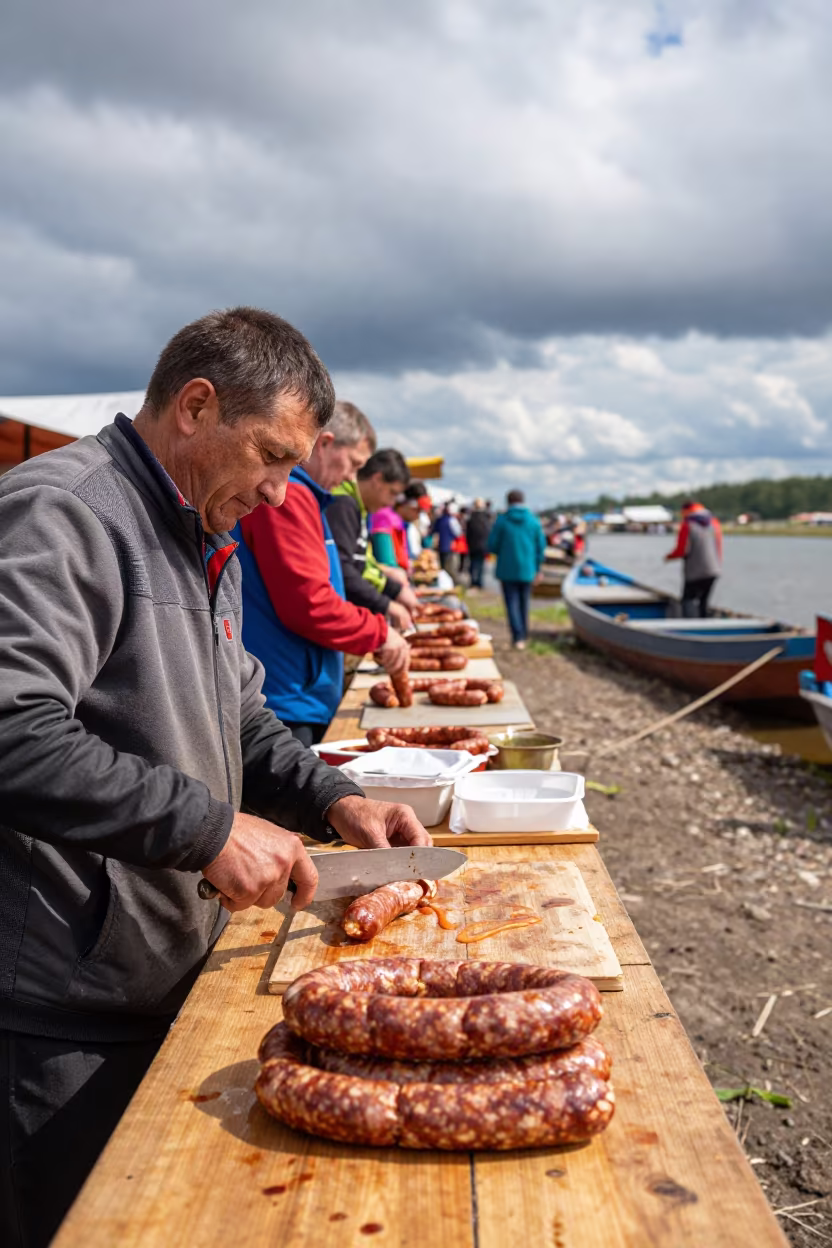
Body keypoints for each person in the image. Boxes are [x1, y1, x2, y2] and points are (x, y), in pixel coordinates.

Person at [0, 307, 430, 1248]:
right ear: (196, 407)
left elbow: (236, 713)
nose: (282, 494)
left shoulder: (205, 527)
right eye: (273, 457)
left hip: (162, 971)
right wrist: (207, 830)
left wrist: (331, 796)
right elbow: (12, 728)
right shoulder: (66, 511)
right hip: (56, 1010)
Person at [233, 404, 411, 746]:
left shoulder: (307, 498)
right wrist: (378, 632)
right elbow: (310, 603)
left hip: (296, 692)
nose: (350, 477)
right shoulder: (290, 499)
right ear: (326, 443)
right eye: (354, 464)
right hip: (284, 698)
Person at [328, 443, 420, 631]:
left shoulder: (358, 507)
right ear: (377, 480)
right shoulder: (343, 504)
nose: (391, 503)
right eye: (392, 493)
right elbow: (342, 568)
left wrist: (393, 588)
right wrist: (386, 603)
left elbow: (362, 562)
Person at [487, 488, 546, 649]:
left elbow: (492, 545)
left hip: (507, 569)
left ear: (508, 502)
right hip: (528, 569)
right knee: (524, 603)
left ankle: (517, 637)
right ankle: (524, 635)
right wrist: (538, 568)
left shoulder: (502, 521)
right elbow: (541, 547)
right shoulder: (533, 521)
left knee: (511, 603)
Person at [665, 500, 723, 617]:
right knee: (704, 601)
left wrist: (669, 557)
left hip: (695, 571)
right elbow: (718, 547)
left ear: (687, 511)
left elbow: (682, 550)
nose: (682, 516)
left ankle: (689, 627)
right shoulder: (714, 522)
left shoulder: (687, 524)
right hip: (713, 570)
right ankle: (704, 627)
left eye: (683, 513)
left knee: (688, 600)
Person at [369, 479, 428, 576]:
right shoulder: (384, 518)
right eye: (417, 510)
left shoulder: (401, 523)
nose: (418, 516)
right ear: (406, 503)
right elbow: (387, 562)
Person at [465, 497, 493, 589]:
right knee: (480, 564)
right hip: (483, 545)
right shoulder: (486, 517)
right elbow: (489, 532)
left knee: (473, 563)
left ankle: (474, 582)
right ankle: (479, 582)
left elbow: (467, 533)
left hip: (473, 545)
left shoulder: (471, 518)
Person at [431, 502, 461, 575]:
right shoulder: (451, 520)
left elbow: (434, 530)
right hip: (449, 545)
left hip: (441, 545)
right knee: (448, 565)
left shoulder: (440, 519)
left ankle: (443, 576)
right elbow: (458, 533)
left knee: (442, 564)